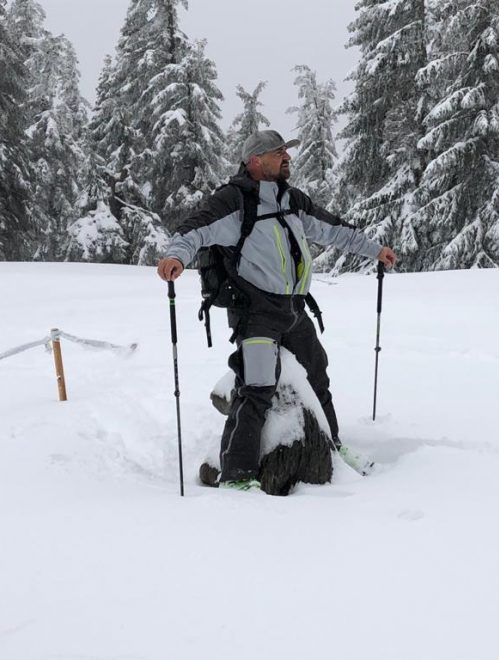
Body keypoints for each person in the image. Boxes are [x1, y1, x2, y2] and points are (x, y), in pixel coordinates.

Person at [157, 129, 397, 490]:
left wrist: (375, 250)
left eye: (287, 151)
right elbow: (194, 230)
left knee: (317, 377)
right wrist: (176, 256)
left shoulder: (291, 199)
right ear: (256, 160)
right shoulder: (234, 201)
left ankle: (333, 447)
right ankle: (237, 474)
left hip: (293, 308)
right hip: (254, 312)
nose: (287, 157)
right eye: (278, 152)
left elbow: (335, 230)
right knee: (256, 388)